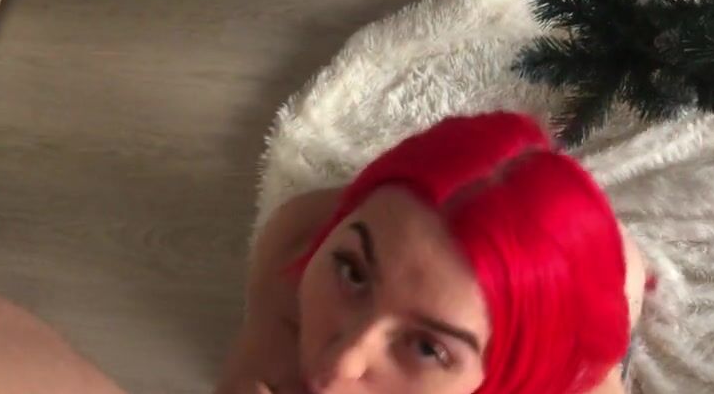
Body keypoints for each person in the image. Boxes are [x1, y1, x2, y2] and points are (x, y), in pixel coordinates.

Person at [216, 112, 648, 394]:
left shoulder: (574, 364)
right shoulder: (294, 246)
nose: (338, 366)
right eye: (352, 273)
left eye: (426, 347)